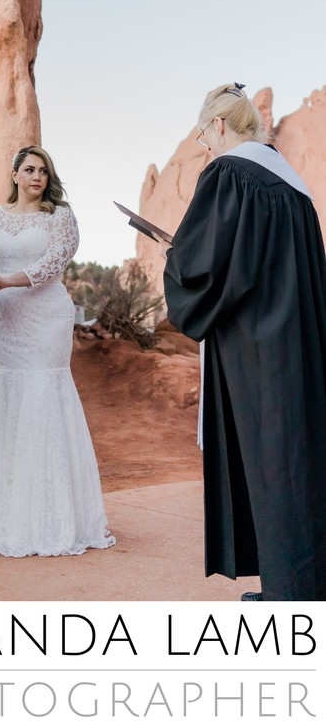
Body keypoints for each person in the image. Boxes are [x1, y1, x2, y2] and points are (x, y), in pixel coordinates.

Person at [161, 83, 326, 601]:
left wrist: (176, 257)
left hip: (255, 348)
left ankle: (290, 595)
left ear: (223, 125)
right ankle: (299, 583)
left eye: (205, 133)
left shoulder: (230, 173)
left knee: (270, 463)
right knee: (297, 460)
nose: (204, 145)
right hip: (297, 343)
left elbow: (202, 263)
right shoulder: (294, 187)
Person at [0, 145, 116, 557]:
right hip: (5, 321)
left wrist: (3, 283)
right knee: (7, 397)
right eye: (28, 169)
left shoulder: (61, 216)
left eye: (43, 170)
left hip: (45, 318)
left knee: (43, 395)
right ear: (15, 174)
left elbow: (52, 265)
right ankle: (0, 514)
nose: (36, 177)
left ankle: (49, 516)